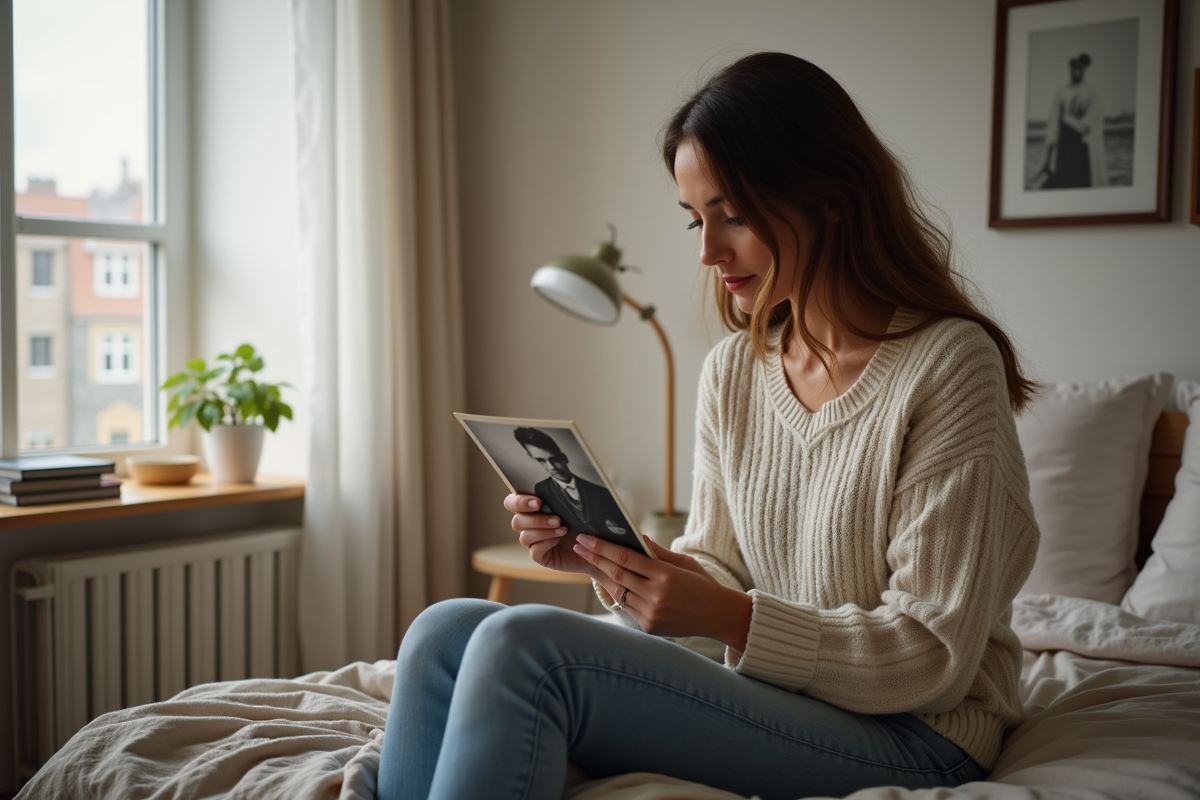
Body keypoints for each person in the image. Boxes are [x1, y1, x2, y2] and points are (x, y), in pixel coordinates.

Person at [375, 51, 1040, 800]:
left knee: (524, 646)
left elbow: (928, 655)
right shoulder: (734, 370)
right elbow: (720, 571)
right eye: (696, 219)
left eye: (734, 215)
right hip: (788, 701)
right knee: (442, 633)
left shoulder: (949, 366)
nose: (705, 251)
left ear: (831, 198)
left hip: (920, 733)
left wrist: (730, 615)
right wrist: (614, 567)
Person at [513, 425, 630, 539]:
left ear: (564, 457)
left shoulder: (600, 492)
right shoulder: (541, 488)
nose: (551, 467)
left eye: (554, 459)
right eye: (541, 461)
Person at [1037, 52, 1107, 189]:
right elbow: (1052, 131)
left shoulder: (1092, 94)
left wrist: (1066, 118)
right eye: (1073, 68)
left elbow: (1086, 127)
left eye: (1079, 68)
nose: (1076, 71)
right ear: (1070, 69)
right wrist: (1046, 161)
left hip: (1083, 149)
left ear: (1084, 69)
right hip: (1064, 151)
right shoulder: (1060, 94)